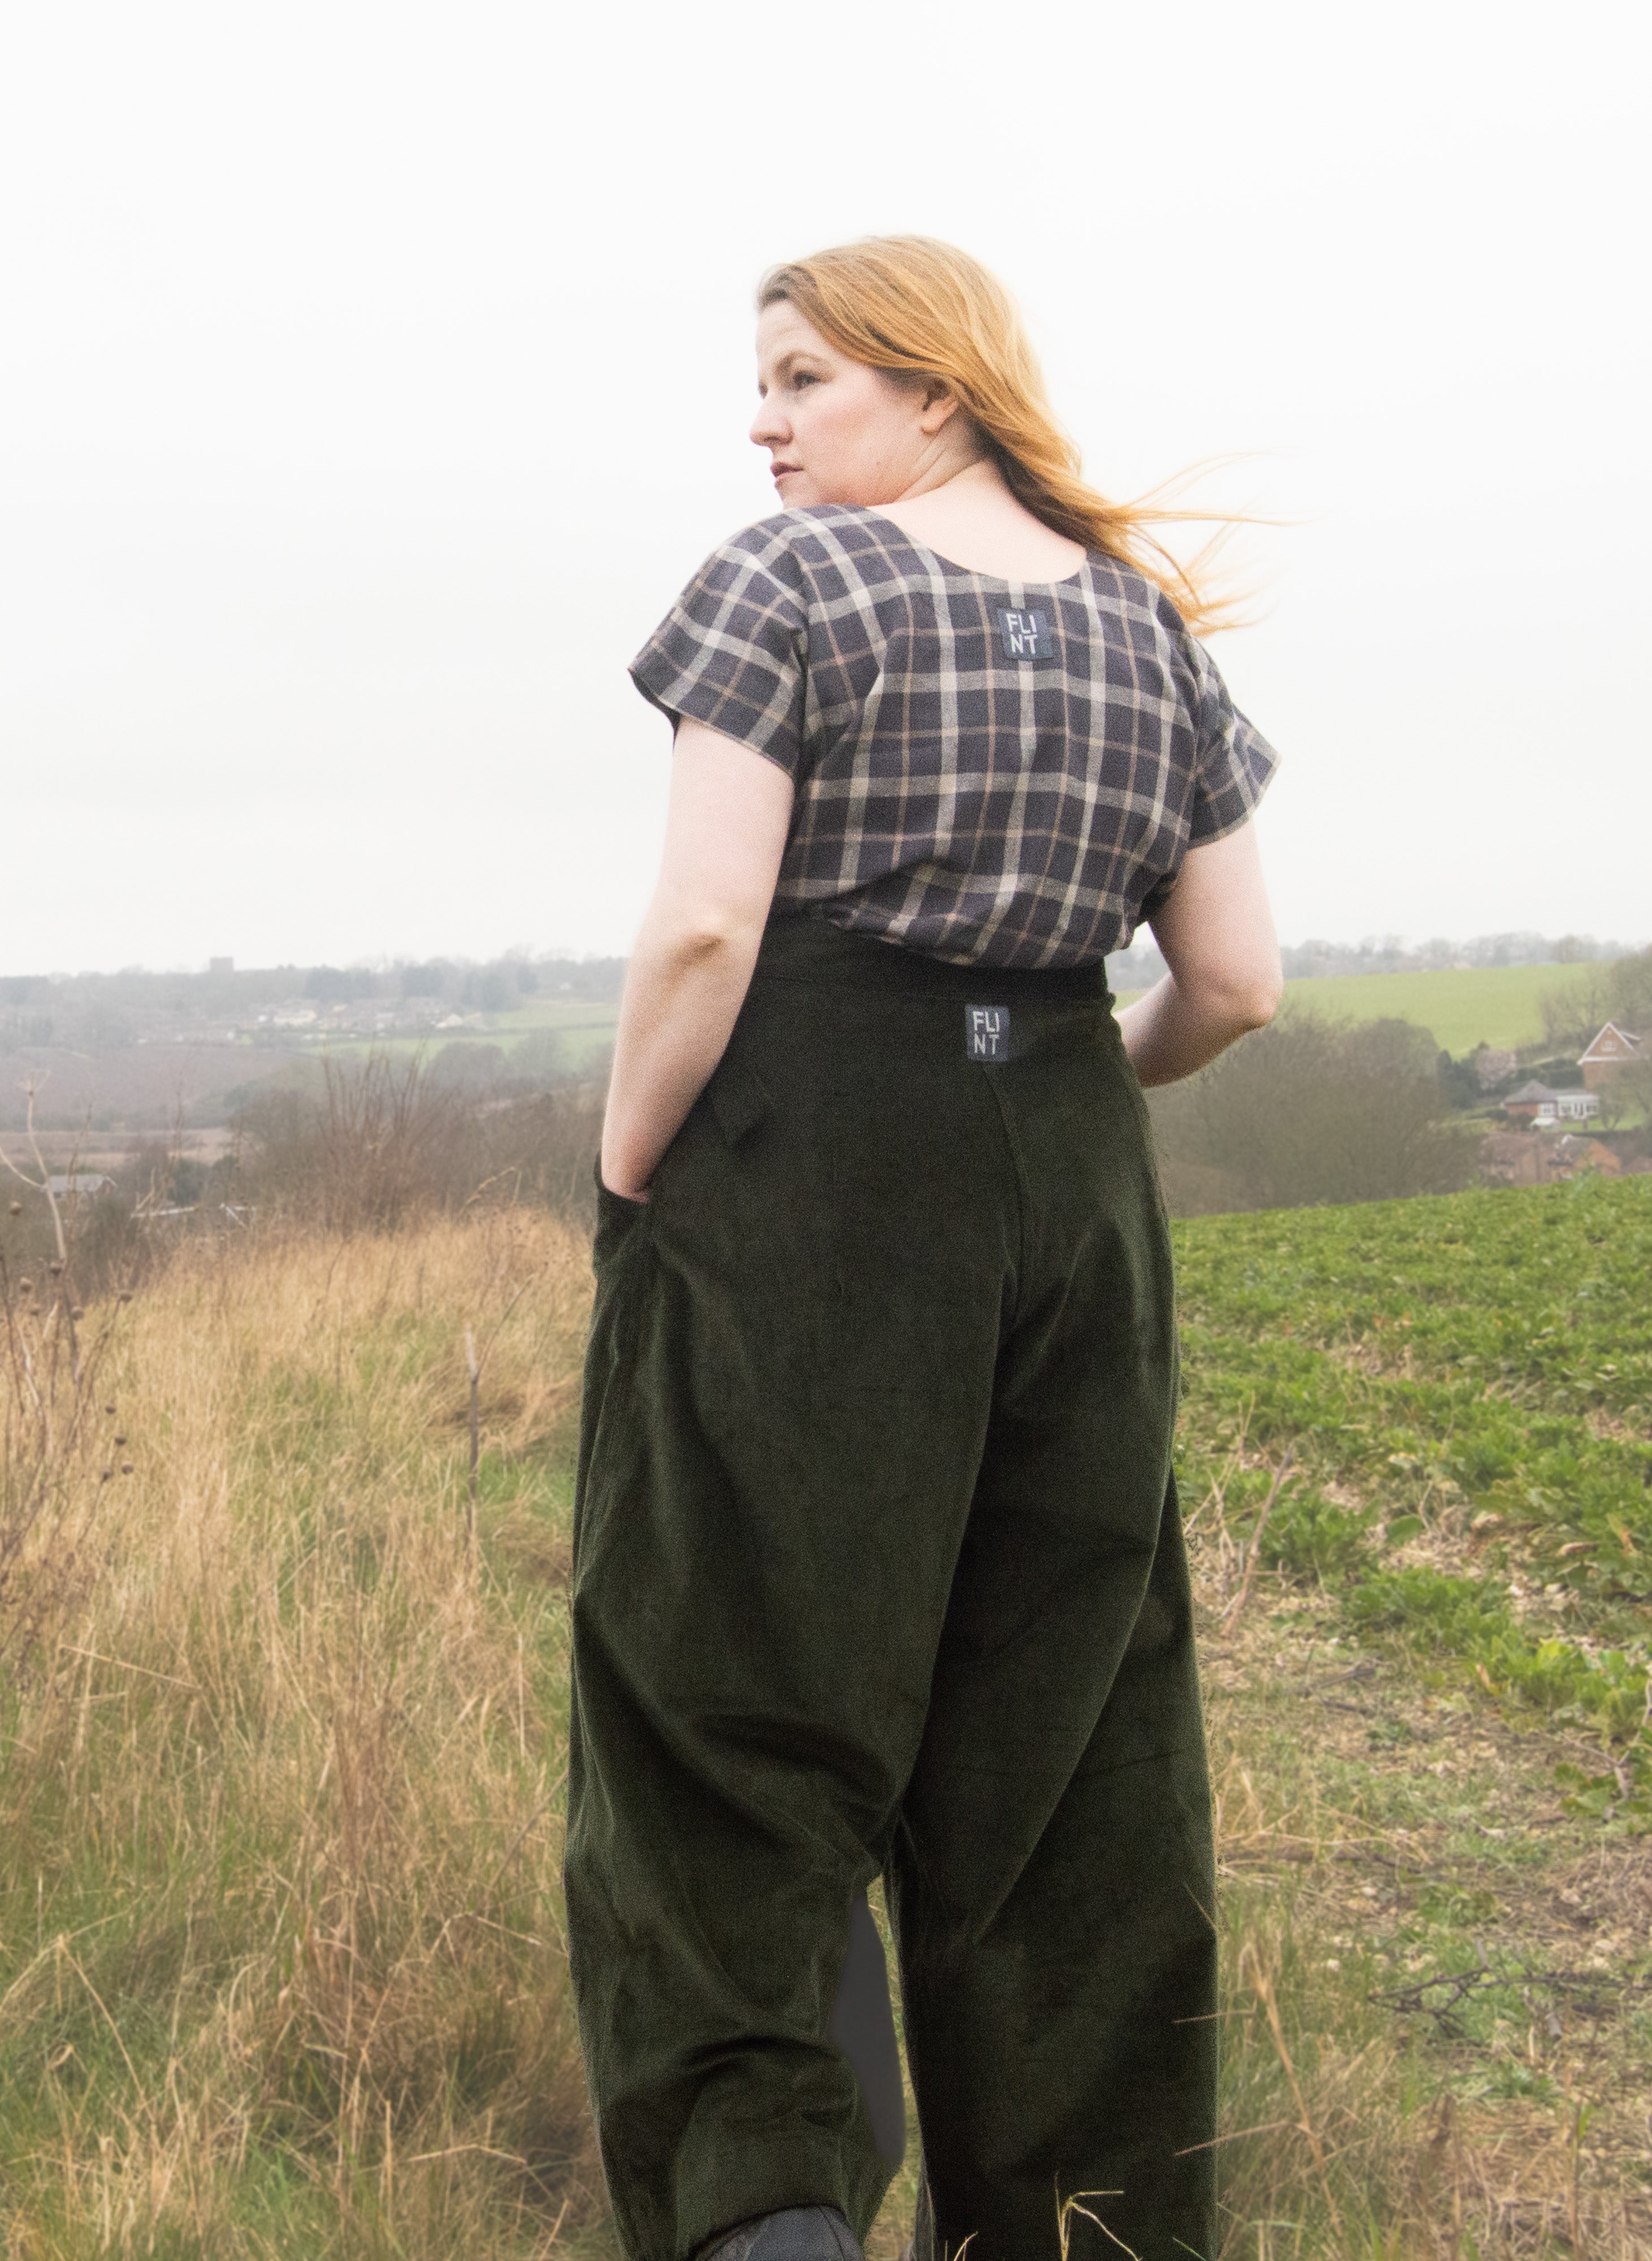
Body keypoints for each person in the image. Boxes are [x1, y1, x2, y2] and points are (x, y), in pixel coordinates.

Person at [563, 236, 1283, 2261]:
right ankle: (1088, 2225)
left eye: (801, 380)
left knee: (728, 1700)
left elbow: (707, 930)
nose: (764, 422)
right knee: (1068, 1747)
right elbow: (1232, 980)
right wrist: (1054, 1096)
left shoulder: (787, 585)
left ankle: (764, 2206)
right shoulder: (1152, 635)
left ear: (933, 389)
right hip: (1074, 1177)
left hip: (812, 1157)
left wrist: (631, 1167)